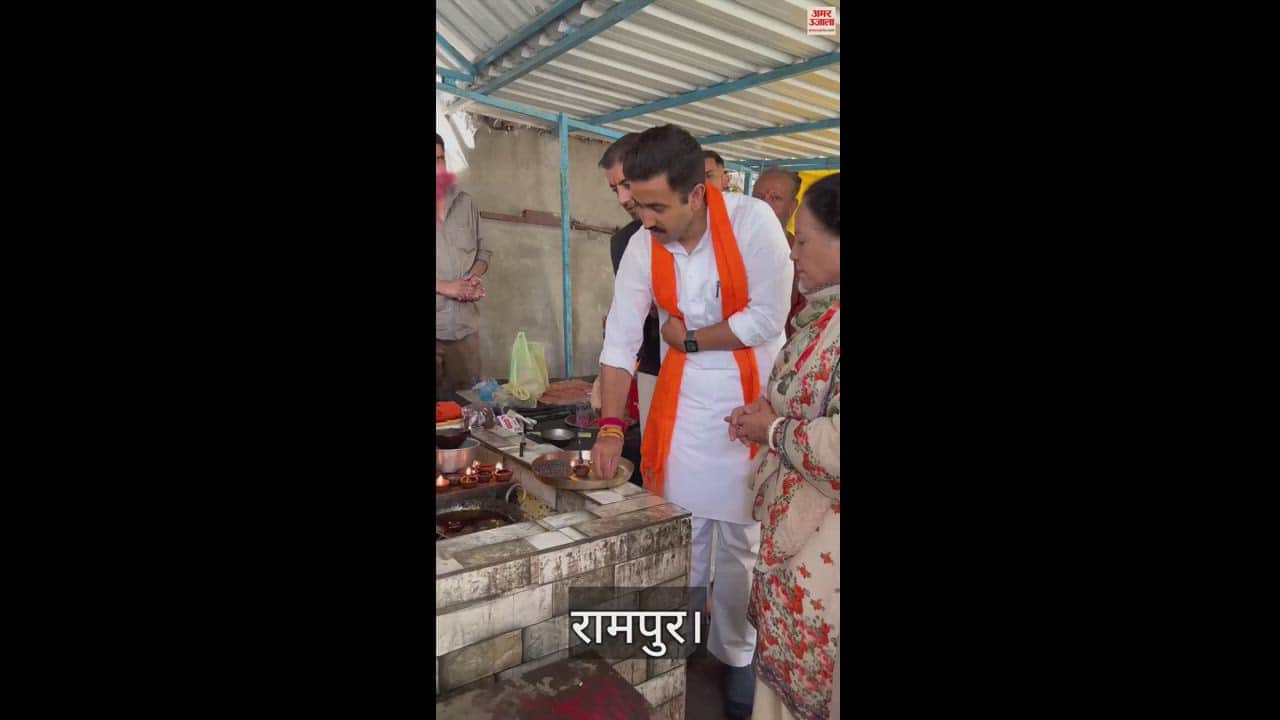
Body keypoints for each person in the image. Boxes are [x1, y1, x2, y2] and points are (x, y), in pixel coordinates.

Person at [592, 124, 793, 719]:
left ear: (697, 193)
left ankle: (737, 653)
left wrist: (693, 339)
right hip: (682, 405)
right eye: (636, 204)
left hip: (750, 400)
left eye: (656, 206)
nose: (644, 219)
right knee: (679, 532)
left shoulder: (753, 221)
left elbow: (765, 317)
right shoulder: (641, 243)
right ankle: (664, 656)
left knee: (740, 541)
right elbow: (621, 338)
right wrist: (608, 425)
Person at [726, 173, 841, 720]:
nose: (793, 253)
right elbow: (802, 403)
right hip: (796, 550)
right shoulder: (821, 315)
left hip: (827, 561)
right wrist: (763, 417)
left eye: (803, 239)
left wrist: (772, 432)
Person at [598, 133, 662, 441]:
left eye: (627, 185)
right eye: (614, 189)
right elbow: (629, 323)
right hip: (653, 363)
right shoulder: (624, 242)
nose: (622, 199)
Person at [435, 133, 491, 399]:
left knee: (468, 409)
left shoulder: (466, 203)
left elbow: (484, 251)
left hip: (465, 332)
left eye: (439, 159)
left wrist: (473, 278)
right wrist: (446, 287)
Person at [751, 168, 806, 338]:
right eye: (759, 197)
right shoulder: (726, 245)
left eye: (775, 198)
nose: (764, 204)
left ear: (793, 206)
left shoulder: (803, 255)